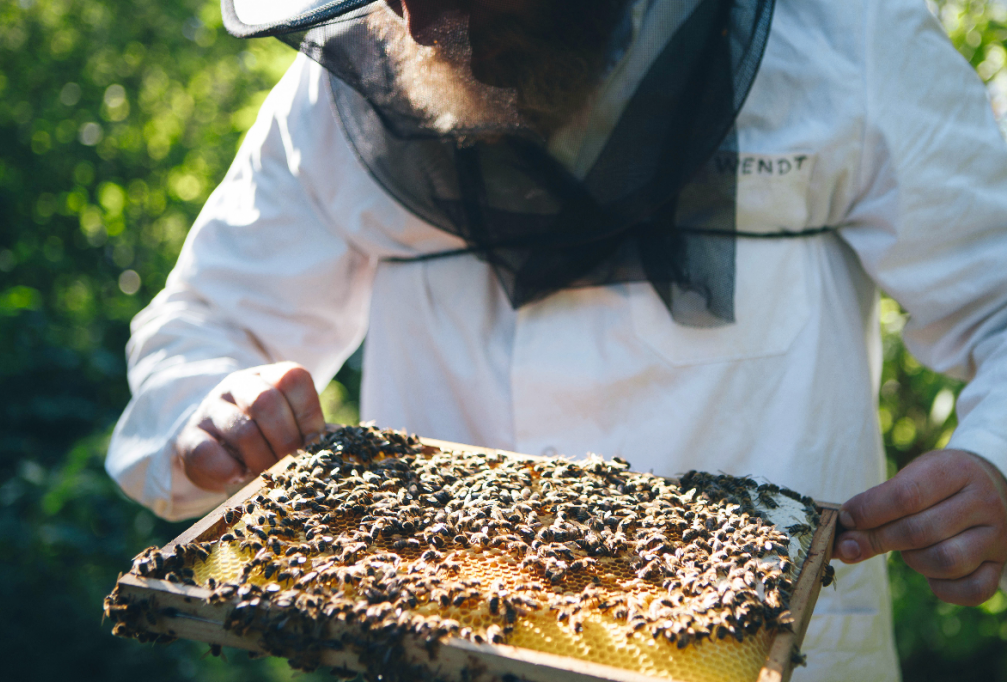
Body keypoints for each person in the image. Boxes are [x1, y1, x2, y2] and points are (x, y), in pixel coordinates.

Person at [106, 0, 1007, 679]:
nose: (420, 24)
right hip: (438, 646)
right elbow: (204, 330)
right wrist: (208, 407)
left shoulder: (845, 38)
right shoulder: (346, 78)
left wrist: (995, 462)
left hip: (768, 649)